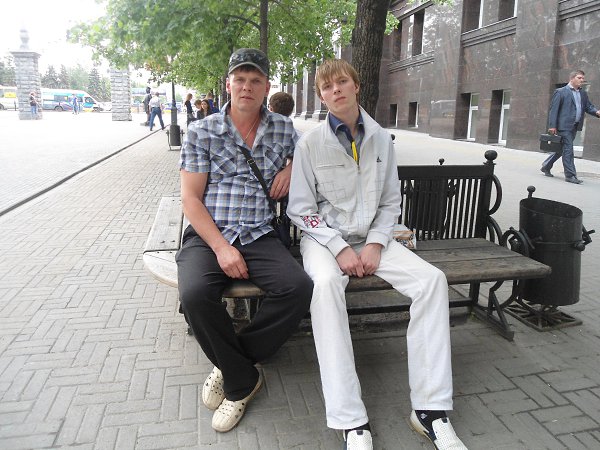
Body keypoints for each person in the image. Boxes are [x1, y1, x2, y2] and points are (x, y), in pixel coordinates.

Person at [287, 59, 468, 450]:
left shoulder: (382, 139)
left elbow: (389, 201)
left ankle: (430, 411)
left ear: (356, 85)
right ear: (321, 96)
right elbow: (301, 209)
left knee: (432, 281)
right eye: (327, 86)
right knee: (325, 286)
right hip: (324, 241)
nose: (335, 90)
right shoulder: (310, 144)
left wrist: (375, 242)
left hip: (372, 239)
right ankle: (351, 420)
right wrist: (337, 247)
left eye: (342, 82)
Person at [176, 48, 313, 433]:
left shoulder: (283, 129)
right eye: (240, 79)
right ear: (228, 84)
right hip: (210, 234)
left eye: (255, 80)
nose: (247, 87)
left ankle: (230, 364)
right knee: (195, 296)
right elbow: (190, 199)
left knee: (298, 288)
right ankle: (243, 382)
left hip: (258, 233)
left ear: (266, 87)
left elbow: (312, 155)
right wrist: (221, 248)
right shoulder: (202, 131)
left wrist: (291, 167)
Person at [541, 69, 600, 184]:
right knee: (568, 150)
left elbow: (588, 107)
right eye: (579, 78)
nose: (582, 80)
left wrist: (597, 112)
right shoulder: (561, 92)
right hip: (563, 126)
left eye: (583, 78)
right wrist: (552, 126)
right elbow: (554, 110)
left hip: (574, 126)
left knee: (562, 149)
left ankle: (546, 165)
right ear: (572, 78)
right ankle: (570, 175)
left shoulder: (583, 93)